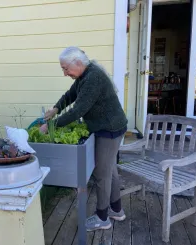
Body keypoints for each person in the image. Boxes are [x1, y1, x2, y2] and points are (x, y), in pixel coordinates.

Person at [40, 46, 128, 231]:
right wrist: (56, 108)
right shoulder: (84, 75)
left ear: (78, 63)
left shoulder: (92, 78)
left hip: (109, 129)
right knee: (110, 170)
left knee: (101, 175)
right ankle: (117, 211)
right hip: (109, 127)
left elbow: (78, 110)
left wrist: (51, 126)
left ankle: (102, 218)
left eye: (65, 68)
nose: (64, 73)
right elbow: (70, 95)